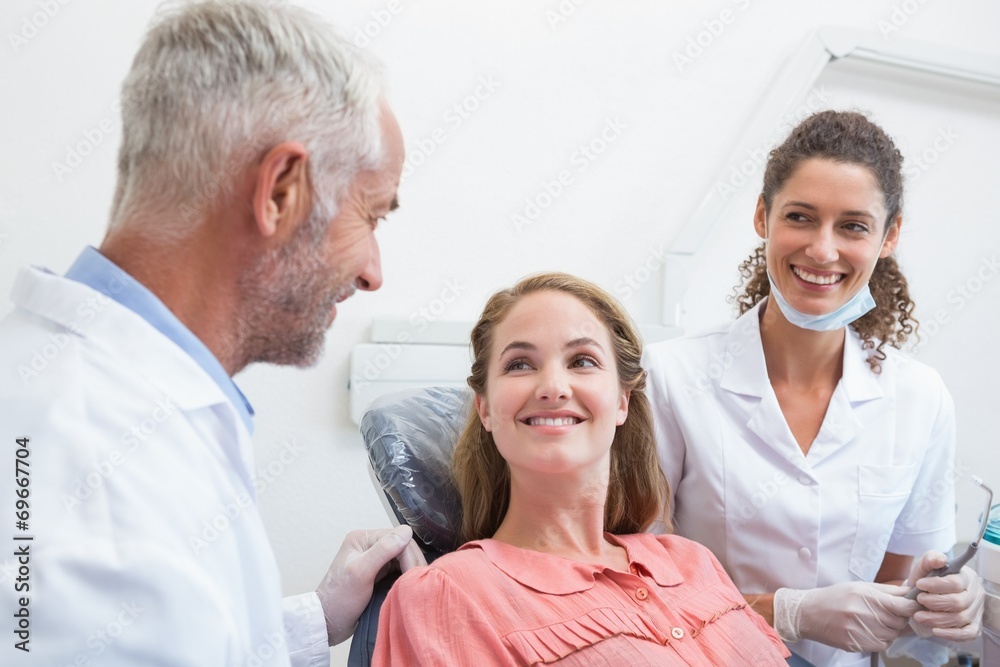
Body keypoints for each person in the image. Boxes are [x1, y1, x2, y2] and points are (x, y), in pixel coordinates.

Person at [0, 2, 424, 665]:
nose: (373, 273)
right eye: (371, 215)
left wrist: (308, 619)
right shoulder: (92, 488)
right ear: (280, 190)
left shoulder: (103, 405)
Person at [642, 110, 985, 666]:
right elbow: (635, 585)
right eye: (801, 217)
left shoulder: (920, 398)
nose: (822, 250)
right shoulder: (671, 377)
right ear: (763, 216)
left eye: (853, 226)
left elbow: (900, 597)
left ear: (889, 235)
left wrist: (945, 606)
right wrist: (785, 612)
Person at [372, 272, 791, 665]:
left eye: (583, 361)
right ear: (484, 408)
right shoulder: (450, 594)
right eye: (519, 364)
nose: (553, 387)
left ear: (622, 401)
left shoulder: (690, 561)